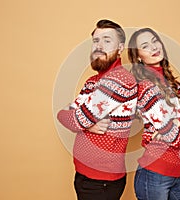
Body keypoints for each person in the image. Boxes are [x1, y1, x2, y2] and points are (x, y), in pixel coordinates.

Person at [57, 19, 137, 200]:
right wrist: (86, 124)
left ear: (120, 48)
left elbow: (77, 119)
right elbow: (63, 115)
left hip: (101, 183)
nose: (99, 46)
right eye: (96, 41)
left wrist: (81, 121)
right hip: (84, 174)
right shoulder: (92, 82)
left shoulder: (119, 80)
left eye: (107, 41)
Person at [127, 28, 180, 200]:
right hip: (155, 175)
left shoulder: (174, 85)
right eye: (145, 46)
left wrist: (177, 122)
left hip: (178, 175)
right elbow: (173, 138)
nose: (153, 47)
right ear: (139, 57)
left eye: (155, 41)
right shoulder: (146, 87)